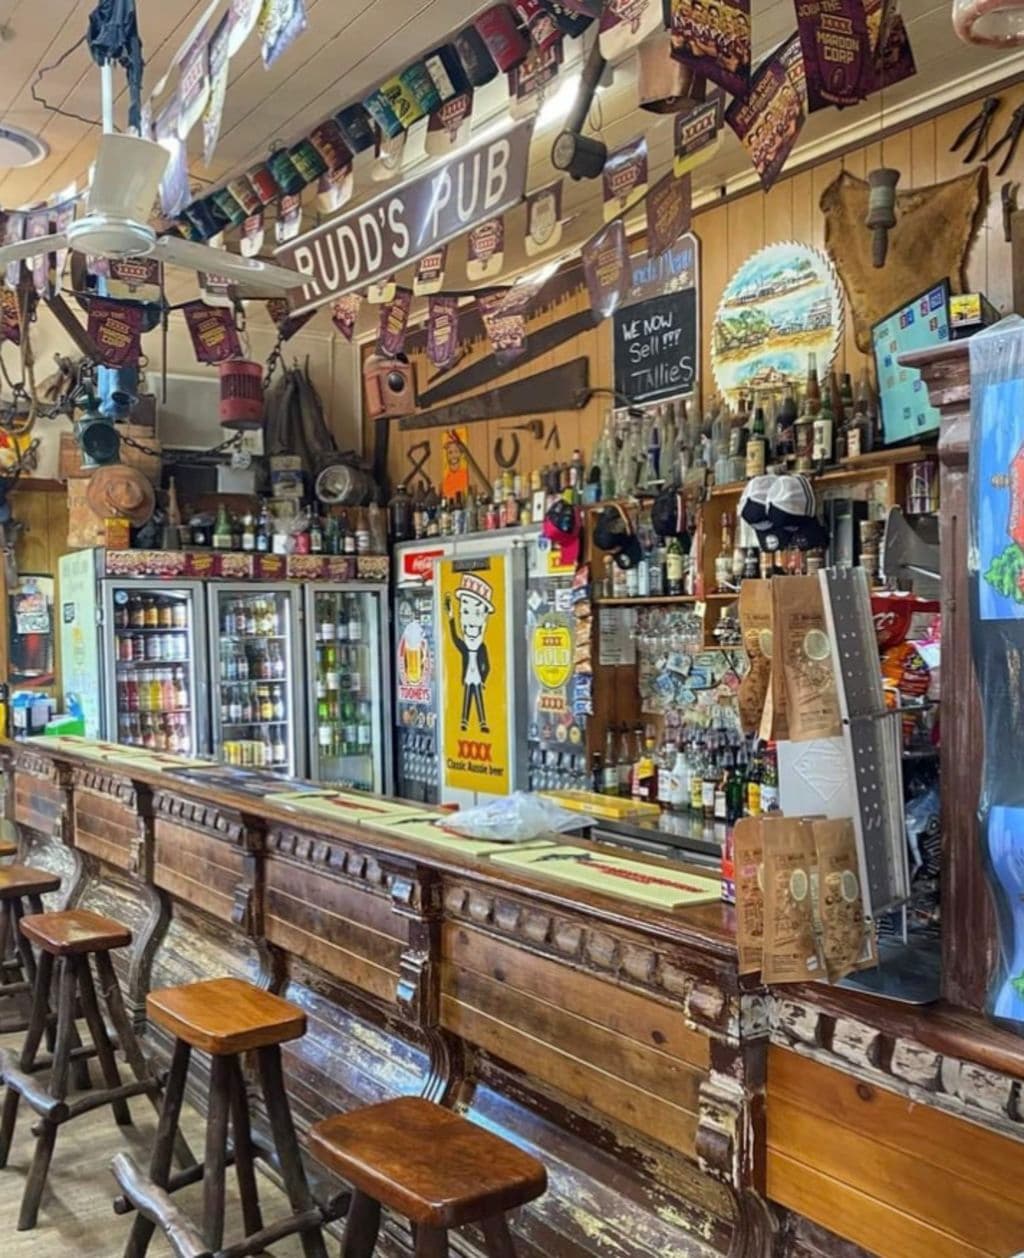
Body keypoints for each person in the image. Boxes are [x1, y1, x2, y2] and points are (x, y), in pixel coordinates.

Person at [445, 573, 495, 734]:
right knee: (466, 699)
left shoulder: (482, 647)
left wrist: (484, 679)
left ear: (486, 619)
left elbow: (487, 665)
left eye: (478, 613)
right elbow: (454, 637)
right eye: (466, 612)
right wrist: (451, 616)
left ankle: (482, 723)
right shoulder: (465, 647)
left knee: (479, 701)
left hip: (477, 678)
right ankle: (464, 722)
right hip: (468, 677)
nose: (471, 621)